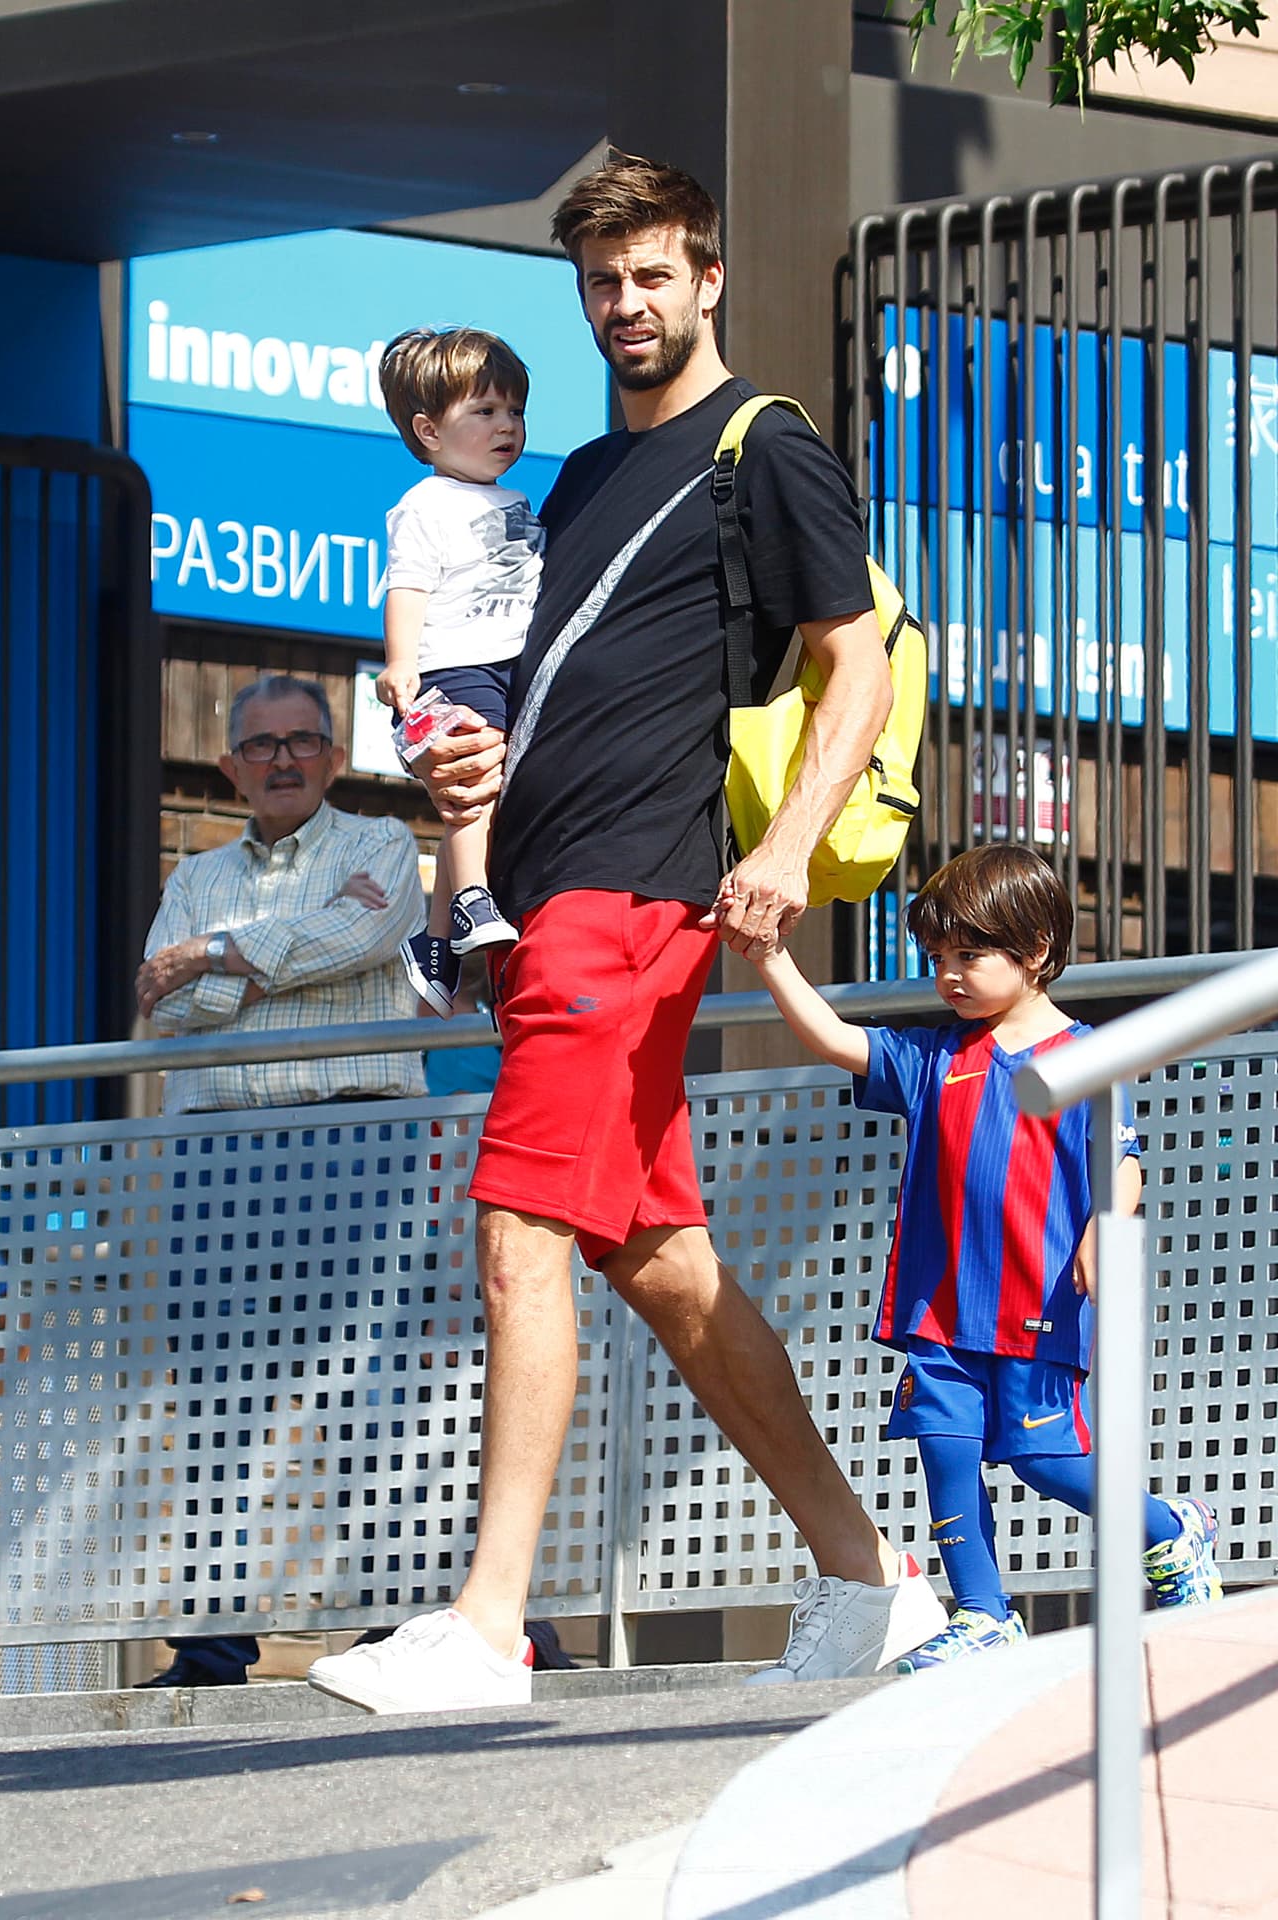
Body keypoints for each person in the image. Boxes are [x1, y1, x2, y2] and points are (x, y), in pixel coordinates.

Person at [307, 150, 948, 1719]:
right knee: (662, 1260)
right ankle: (877, 1582)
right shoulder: (580, 479)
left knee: (519, 1222)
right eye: (603, 283)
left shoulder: (767, 446)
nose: (627, 306)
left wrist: (786, 852)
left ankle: (488, 1626)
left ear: (708, 276)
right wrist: (462, 764)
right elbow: (523, 686)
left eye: (654, 275)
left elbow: (851, 667)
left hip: (635, 891)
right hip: (546, 890)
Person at [747, 843, 1224, 1673]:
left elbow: (1125, 1160)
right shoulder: (934, 1057)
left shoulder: (1083, 1058)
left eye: (970, 954)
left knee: (1050, 1462)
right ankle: (984, 1614)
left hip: (1036, 1310)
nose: (950, 975)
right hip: (938, 1314)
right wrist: (770, 956)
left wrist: (1102, 1232)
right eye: (939, 958)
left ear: (1036, 949)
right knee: (946, 1451)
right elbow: (832, 1037)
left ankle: (1170, 1531)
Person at [134, 673, 428, 1686]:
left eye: (303, 741)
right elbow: (158, 1010)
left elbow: (369, 932)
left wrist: (220, 957)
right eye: (262, 747)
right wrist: (287, 962)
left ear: (335, 757)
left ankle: (392, 1627)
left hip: (357, 1141)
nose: (284, 760)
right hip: (218, 1148)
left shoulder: (381, 846)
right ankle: (214, 1645)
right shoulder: (193, 875)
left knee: (370, 1387)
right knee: (218, 1399)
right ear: (230, 767)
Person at [375, 326, 545, 1018]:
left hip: (507, 664)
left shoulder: (515, 501)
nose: (506, 425)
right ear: (429, 430)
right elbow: (406, 585)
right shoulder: (427, 502)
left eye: (514, 411)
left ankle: (436, 941)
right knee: (476, 782)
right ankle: (472, 899)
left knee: (478, 795)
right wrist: (400, 664)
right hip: (452, 665)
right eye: (485, 412)